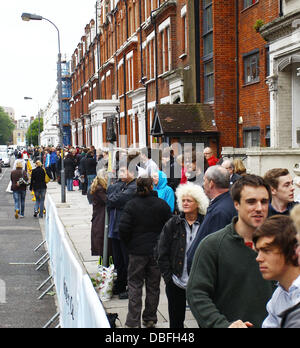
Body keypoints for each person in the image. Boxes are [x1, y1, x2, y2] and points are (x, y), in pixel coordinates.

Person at [186, 175, 276, 328]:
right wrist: (223, 325)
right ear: (236, 204)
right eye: (251, 202)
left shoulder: (280, 244)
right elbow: (197, 293)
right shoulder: (212, 245)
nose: (259, 208)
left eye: (264, 201)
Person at [119, 177, 172, 328]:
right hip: (156, 252)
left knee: (135, 285)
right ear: (151, 186)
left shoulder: (131, 204)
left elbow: (123, 228)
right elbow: (170, 227)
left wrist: (130, 243)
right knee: (153, 286)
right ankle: (149, 318)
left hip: (137, 252)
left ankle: (133, 320)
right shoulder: (161, 205)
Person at [158, 182, 209, 328]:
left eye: (189, 200)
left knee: (204, 321)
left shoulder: (206, 223)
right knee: (176, 322)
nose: (185, 203)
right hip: (176, 281)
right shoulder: (173, 223)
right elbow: (161, 251)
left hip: (200, 283)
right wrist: (168, 278)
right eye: (183, 200)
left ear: (198, 203)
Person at [187, 165, 237, 272]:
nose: (203, 184)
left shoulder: (220, 211)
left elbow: (215, 248)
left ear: (211, 183)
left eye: (204, 180)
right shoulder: (226, 202)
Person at [253, 215, 300, 328]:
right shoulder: (279, 296)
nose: (258, 258)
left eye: (266, 250)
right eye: (258, 251)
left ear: (293, 251)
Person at [107, 155, 137, 299]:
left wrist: (113, 197)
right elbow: (110, 195)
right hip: (115, 228)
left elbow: (116, 199)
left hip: (124, 229)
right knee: (119, 261)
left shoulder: (133, 187)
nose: (120, 174)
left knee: (127, 261)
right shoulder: (122, 185)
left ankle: (129, 288)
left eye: (124, 171)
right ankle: (119, 285)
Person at [90, 169, 110, 257]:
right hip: (101, 218)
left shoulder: (98, 187)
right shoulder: (100, 189)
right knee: (102, 240)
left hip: (99, 216)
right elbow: (108, 200)